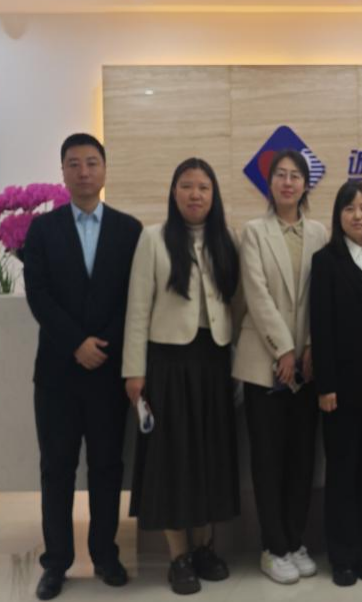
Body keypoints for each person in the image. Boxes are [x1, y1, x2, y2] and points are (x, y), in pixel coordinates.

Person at [22, 133, 143, 600]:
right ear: (63, 172)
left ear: (104, 169)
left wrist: (101, 344)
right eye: (74, 164)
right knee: (57, 469)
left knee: (107, 467)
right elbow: (39, 295)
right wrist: (76, 343)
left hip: (108, 372)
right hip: (57, 373)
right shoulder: (42, 230)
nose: (84, 171)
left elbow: (134, 297)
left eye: (92, 162)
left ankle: (106, 555)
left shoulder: (129, 231)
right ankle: (56, 563)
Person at [122, 157, 242, 596]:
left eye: (203, 187)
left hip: (214, 363)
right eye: (187, 186)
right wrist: (134, 372)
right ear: (174, 193)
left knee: (210, 456)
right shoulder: (153, 239)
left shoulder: (226, 240)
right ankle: (179, 556)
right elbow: (138, 309)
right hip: (169, 365)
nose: (195, 194)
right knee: (174, 460)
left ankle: (206, 548)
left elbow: (236, 306)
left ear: (214, 195)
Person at [232, 150, 327, 585]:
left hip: (306, 368)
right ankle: (273, 547)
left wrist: (308, 347)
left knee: (302, 459)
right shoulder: (253, 232)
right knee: (268, 460)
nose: (288, 183)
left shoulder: (319, 233)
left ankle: (294, 539)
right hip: (264, 364)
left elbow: (322, 296)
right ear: (270, 184)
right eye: (281, 176)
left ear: (306, 185)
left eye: (295, 176)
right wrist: (284, 349)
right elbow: (256, 294)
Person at [310, 180, 362, 587]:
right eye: (349, 208)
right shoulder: (325, 261)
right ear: (338, 215)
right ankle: (341, 556)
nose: (358, 215)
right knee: (342, 472)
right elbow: (320, 326)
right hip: (339, 390)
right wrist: (325, 386)